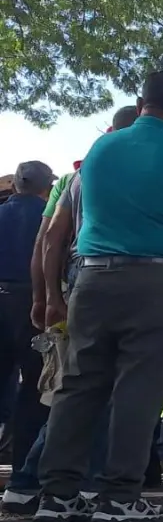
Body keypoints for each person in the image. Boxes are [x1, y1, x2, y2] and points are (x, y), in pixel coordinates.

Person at [36, 71, 163, 522]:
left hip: (93, 276)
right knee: (140, 387)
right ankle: (119, 495)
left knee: (79, 383)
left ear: (141, 102)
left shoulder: (102, 150)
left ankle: (57, 493)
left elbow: (59, 231)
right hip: (160, 280)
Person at [29, 107, 137, 337]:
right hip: (145, 283)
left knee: (82, 364)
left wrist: (47, 298)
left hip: (84, 278)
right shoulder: (162, 171)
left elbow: (48, 238)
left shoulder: (75, 178)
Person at [0, 161, 55, 481]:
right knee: (35, 387)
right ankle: (23, 471)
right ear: (46, 185)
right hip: (33, 303)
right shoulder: (49, 218)